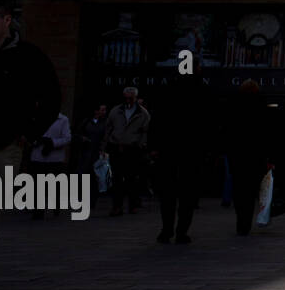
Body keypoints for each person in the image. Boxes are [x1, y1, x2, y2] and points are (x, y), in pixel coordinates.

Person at [0, 0, 61, 258]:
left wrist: (29, 133)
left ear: (7, 20)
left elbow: (52, 98)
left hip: (7, 144)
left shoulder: (29, 56)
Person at [149, 70, 213, 243]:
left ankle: (167, 229)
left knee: (168, 194)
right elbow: (208, 125)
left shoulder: (168, 92)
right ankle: (181, 231)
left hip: (168, 150)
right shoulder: (201, 93)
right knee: (188, 195)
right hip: (191, 152)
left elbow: (156, 121)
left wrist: (154, 146)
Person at [224, 80, 275, 236]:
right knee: (251, 190)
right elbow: (267, 135)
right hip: (255, 157)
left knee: (239, 189)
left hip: (238, 156)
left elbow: (227, 132)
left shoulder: (234, 107)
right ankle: (245, 221)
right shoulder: (262, 108)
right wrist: (269, 158)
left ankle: (241, 221)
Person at [104, 86, 151, 216]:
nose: (128, 100)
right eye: (126, 98)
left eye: (131, 98)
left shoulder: (143, 113)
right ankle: (117, 206)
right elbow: (108, 128)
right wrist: (106, 145)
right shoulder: (115, 111)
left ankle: (132, 205)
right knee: (117, 179)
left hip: (133, 148)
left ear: (135, 98)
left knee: (132, 178)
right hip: (117, 147)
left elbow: (145, 132)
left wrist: (141, 145)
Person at [28, 113, 71, 219]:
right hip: (38, 156)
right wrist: (36, 141)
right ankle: (38, 210)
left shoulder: (63, 119)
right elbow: (29, 135)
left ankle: (56, 204)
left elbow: (67, 138)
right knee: (38, 184)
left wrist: (52, 142)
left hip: (55, 158)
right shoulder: (35, 118)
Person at [73, 103, 107, 200]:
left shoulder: (105, 123)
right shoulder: (86, 122)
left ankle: (92, 198)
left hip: (97, 152)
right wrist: (82, 138)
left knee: (95, 176)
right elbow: (76, 134)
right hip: (85, 152)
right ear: (96, 111)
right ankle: (80, 196)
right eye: (102, 110)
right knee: (82, 174)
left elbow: (106, 138)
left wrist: (103, 149)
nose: (104, 112)